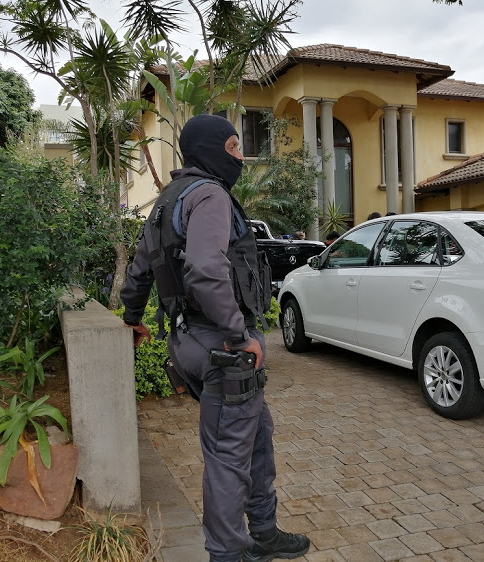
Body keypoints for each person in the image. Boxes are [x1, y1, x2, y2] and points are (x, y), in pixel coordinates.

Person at [121, 114, 310, 562]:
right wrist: (238, 334)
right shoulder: (209, 195)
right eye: (233, 147)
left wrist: (132, 316)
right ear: (209, 149)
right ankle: (228, 554)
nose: (240, 156)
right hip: (221, 348)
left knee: (256, 436)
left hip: (188, 343)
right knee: (229, 457)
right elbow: (206, 271)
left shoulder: (168, 200)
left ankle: (263, 531)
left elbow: (140, 268)